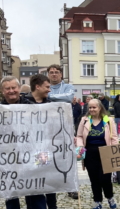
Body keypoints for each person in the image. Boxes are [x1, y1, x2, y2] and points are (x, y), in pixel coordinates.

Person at [0, 76, 56, 209]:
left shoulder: (30, 106)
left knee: (37, 191)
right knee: (11, 194)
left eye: (14, 88)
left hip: (30, 157)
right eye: (7, 89)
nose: (11, 91)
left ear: (19, 88)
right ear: (3, 91)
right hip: (8, 159)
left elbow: (44, 130)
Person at [24, 74, 66, 209]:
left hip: (45, 148)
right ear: (38, 86)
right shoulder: (24, 103)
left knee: (48, 177)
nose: (49, 90)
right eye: (47, 87)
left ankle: (52, 208)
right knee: (32, 180)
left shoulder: (50, 104)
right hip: (29, 149)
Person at [76, 99, 118, 209]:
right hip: (90, 152)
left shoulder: (108, 120)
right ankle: (97, 201)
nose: (92, 109)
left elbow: (114, 138)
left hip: (106, 152)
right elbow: (79, 136)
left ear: (100, 108)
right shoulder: (84, 120)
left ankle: (110, 198)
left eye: (94, 107)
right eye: (90, 107)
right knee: (94, 179)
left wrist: (114, 152)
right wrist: (80, 146)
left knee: (105, 179)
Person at [46, 64, 77, 199]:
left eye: (56, 72)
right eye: (51, 72)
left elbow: (69, 98)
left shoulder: (68, 87)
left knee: (68, 156)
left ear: (60, 74)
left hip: (66, 126)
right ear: (48, 74)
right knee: (46, 156)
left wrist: (50, 96)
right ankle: (46, 184)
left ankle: (70, 187)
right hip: (47, 127)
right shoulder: (45, 86)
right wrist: (58, 97)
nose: (54, 74)